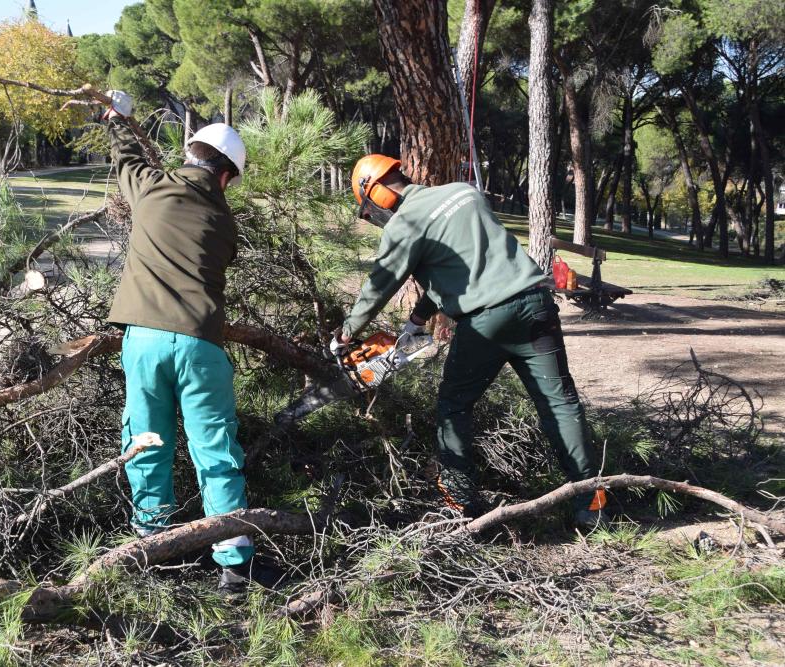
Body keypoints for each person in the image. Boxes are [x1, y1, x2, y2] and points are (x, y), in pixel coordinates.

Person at [333, 155, 608, 527]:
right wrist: (417, 319)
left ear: (376, 193)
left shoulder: (405, 224)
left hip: (487, 322)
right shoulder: (464, 193)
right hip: (536, 305)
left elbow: (380, 283)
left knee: (453, 406)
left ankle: (460, 505)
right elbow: (461, 265)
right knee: (560, 403)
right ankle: (592, 505)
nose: (375, 218)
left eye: (369, 211)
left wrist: (346, 333)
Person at [100, 91, 270, 593]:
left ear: (189, 153)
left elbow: (127, 156)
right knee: (215, 449)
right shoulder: (225, 225)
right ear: (225, 177)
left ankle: (153, 549)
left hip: (145, 341)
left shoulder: (150, 188)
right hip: (200, 346)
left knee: (146, 442)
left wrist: (118, 117)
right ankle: (234, 563)